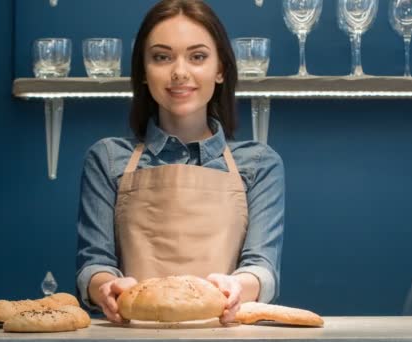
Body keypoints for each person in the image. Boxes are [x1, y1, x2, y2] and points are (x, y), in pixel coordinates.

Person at [75, 0, 284, 324]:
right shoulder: (106, 159)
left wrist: (237, 287)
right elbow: (93, 264)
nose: (179, 72)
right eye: (162, 57)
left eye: (197, 56)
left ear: (220, 69)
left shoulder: (260, 164)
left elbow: (262, 269)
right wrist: (105, 286)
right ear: (143, 72)